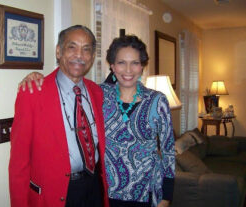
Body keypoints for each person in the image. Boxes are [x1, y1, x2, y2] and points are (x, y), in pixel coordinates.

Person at [20, 35, 175, 207]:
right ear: (112, 66)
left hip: (146, 193)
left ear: (142, 66)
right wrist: (35, 76)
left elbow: (168, 151)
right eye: (121, 62)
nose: (128, 70)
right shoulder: (100, 94)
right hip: (106, 193)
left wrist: (166, 197)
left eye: (135, 63)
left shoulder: (157, 101)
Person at [9, 25, 109, 207]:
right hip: (56, 193)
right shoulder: (32, 93)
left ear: (93, 57)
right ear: (58, 51)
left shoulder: (96, 92)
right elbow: (19, 163)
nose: (79, 55)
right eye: (72, 47)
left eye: (86, 49)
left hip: (94, 187)